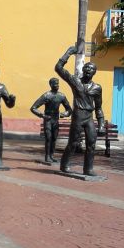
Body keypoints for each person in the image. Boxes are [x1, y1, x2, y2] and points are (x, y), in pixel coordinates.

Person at [55, 45, 105, 177]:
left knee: (91, 143)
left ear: (94, 72)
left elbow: (99, 107)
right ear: (83, 69)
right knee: (73, 143)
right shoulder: (75, 81)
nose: (89, 70)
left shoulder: (97, 88)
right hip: (78, 116)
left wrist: (101, 124)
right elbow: (58, 68)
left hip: (89, 117)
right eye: (87, 68)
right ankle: (64, 165)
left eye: (92, 69)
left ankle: (88, 169)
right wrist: (68, 53)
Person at [30, 77, 73, 164]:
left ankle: (52, 155)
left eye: (58, 83)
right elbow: (33, 108)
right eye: (55, 83)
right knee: (48, 138)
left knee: (54, 138)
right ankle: (47, 156)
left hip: (55, 120)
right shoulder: (46, 95)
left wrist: (64, 114)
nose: (57, 85)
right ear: (51, 85)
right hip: (48, 119)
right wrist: (43, 115)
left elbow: (69, 110)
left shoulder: (61, 96)